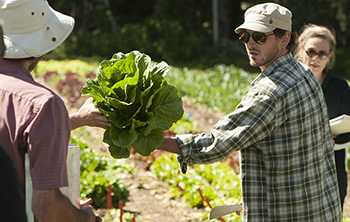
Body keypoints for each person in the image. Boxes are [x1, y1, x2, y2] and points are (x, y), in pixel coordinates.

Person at [157, 3, 342, 221]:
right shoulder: (303, 72)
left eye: (260, 37)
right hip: (319, 209)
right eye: (245, 36)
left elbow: (214, 145)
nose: (250, 44)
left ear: (284, 40)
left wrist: (152, 140)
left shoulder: (270, 91)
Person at [0, 0, 105, 221]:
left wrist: (78, 118)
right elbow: (46, 208)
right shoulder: (43, 103)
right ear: (41, 45)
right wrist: (84, 217)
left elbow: (13, 130)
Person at [294, 24, 350, 211]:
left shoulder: (340, 87)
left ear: (330, 56)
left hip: (331, 172)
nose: (315, 58)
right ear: (300, 50)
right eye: (310, 52)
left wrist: (333, 141)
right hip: (295, 171)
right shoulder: (290, 85)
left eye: (322, 54)